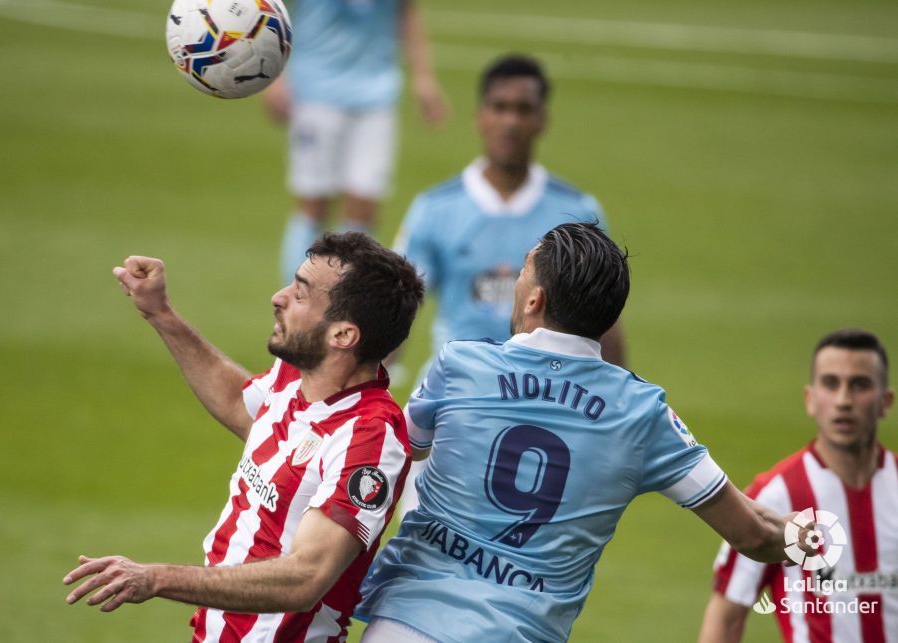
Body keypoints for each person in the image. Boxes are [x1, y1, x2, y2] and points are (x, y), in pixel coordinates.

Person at [354, 222, 815, 643]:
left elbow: (381, 462)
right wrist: (822, 539)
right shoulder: (642, 414)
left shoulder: (460, 366)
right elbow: (754, 534)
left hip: (403, 625)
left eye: (523, 274)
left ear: (535, 300)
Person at [63, 233, 425, 643]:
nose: (278, 297)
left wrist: (156, 579)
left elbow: (307, 577)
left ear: (342, 336)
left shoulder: (369, 438)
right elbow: (242, 405)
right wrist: (161, 313)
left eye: (301, 295)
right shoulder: (298, 375)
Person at [394, 54, 625, 515]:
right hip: (453, 398)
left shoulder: (577, 212)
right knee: (427, 541)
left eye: (522, 109)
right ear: (480, 116)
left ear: (542, 119)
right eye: (499, 107)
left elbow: (606, 324)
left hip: (548, 406)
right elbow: (393, 308)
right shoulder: (435, 210)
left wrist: (613, 411)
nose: (510, 121)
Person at [698, 329, 896, 643]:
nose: (844, 401)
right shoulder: (776, 495)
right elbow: (726, 616)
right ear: (811, 399)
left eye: (859, 385)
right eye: (831, 384)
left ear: (886, 401)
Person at [265, 0, 448, 286]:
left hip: (377, 93)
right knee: (314, 203)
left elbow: (407, 10)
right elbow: (272, 10)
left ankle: (350, 299)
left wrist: (423, 77)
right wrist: (275, 75)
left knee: (364, 204)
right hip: (315, 90)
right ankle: (295, 298)